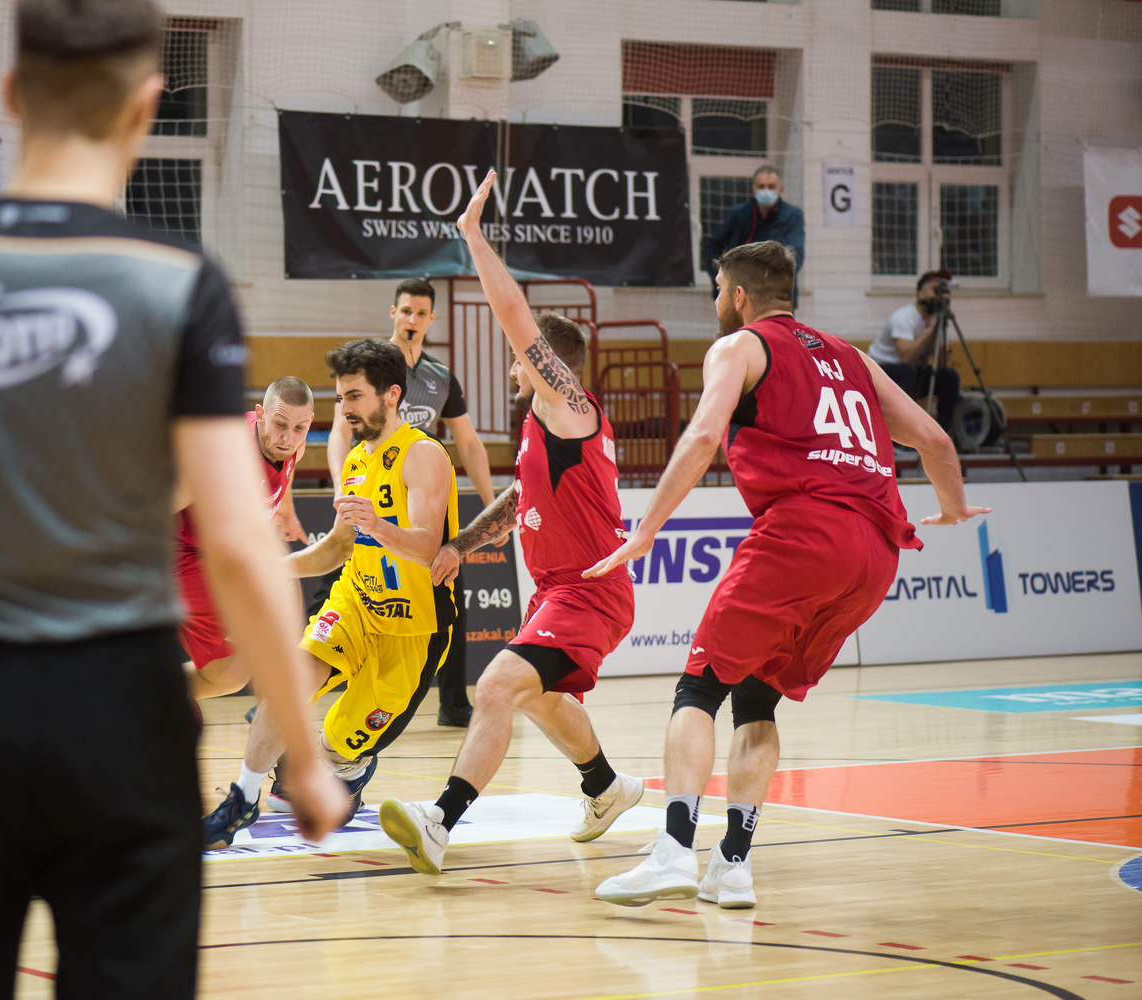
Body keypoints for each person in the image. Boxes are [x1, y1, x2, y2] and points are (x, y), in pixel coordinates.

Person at [0, 1, 344, 996]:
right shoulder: (180, 281)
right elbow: (236, 541)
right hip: (123, 715)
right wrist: (303, 757)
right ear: (145, 107)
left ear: (12, 95)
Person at [583, 241, 988, 909]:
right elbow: (937, 441)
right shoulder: (853, 357)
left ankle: (674, 851)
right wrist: (952, 509)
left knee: (698, 689)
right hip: (877, 550)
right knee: (757, 701)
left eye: (719, 289)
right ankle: (733, 865)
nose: (718, 300)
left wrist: (647, 528)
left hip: (804, 532)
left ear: (739, 296)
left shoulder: (739, 348)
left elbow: (702, 436)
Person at [377, 170, 642, 875]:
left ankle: (440, 821)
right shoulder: (541, 429)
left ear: (548, 365)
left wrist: (473, 237)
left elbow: (515, 314)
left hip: (589, 591)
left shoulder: (571, 407)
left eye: (523, 361)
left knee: (495, 687)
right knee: (540, 697)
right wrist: (461, 545)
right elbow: (518, 500)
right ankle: (606, 787)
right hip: (562, 590)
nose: (513, 368)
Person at [202, 338, 458, 850]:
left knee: (338, 746)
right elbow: (340, 547)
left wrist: (379, 526)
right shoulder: (357, 461)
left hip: (415, 628)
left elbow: (430, 546)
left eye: (354, 397)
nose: (344, 409)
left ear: (390, 395)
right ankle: (242, 799)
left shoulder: (423, 455)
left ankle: (349, 769)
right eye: (341, 398)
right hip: (357, 601)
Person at [322, 278, 500, 728]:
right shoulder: (370, 368)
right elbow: (339, 434)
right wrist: (343, 488)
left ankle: (453, 704)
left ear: (431, 319)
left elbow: (468, 441)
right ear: (393, 313)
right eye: (406, 311)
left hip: (421, 488)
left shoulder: (441, 377)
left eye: (421, 313)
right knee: (337, 579)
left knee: (446, 588)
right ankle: (294, 683)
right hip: (372, 486)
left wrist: (492, 505)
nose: (413, 320)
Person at [178, 376, 315, 700]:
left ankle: (133, 697)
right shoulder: (226, 453)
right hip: (181, 554)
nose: (288, 437)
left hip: (216, 554)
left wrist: (286, 509)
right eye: (280, 424)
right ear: (261, 414)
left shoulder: (294, 444)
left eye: (299, 428)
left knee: (229, 673)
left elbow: (287, 468)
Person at [868, 269, 961, 435]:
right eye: (935, 290)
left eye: (943, 292)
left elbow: (942, 364)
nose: (939, 296)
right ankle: (901, 435)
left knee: (949, 377)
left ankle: (942, 436)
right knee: (908, 371)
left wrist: (938, 331)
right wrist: (929, 330)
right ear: (920, 293)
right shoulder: (903, 317)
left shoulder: (937, 320)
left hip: (908, 375)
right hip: (878, 373)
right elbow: (906, 357)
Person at [702, 165, 806, 308]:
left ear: (780, 189)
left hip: (776, 297)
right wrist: (721, 277)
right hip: (738, 295)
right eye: (761, 186)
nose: (766, 190)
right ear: (753, 189)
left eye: (771, 186)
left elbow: (795, 256)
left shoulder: (792, 215)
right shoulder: (739, 214)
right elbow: (712, 246)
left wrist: (770, 281)